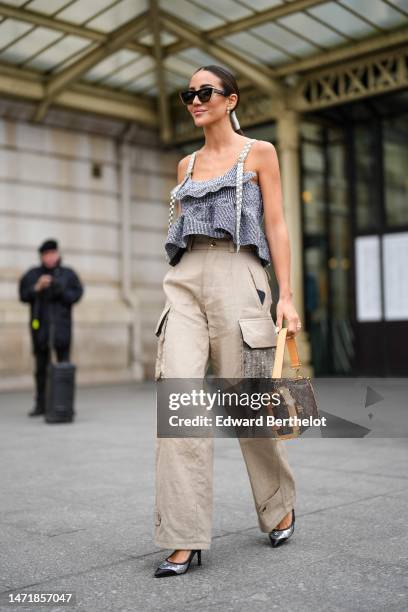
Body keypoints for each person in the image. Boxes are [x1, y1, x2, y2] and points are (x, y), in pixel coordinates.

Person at [153, 65, 302, 578]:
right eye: (187, 94)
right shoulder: (186, 164)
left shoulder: (259, 153)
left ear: (231, 99)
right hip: (186, 277)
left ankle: (277, 500)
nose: (194, 101)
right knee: (179, 399)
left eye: (204, 92)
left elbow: (278, 225)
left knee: (246, 404)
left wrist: (287, 295)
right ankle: (182, 535)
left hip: (240, 271)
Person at [19, 239, 84, 417]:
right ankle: (41, 404)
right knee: (41, 369)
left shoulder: (67, 274)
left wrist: (59, 288)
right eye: (46, 255)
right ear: (41, 256)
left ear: (57, 254)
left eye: (52, 254)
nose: (49, 257)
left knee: (64, 366)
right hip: (40, 329)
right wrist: (37, 288)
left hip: (62, 329)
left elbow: (76, 294)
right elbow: (23, 295)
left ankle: (64, 403)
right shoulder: (33, 274)